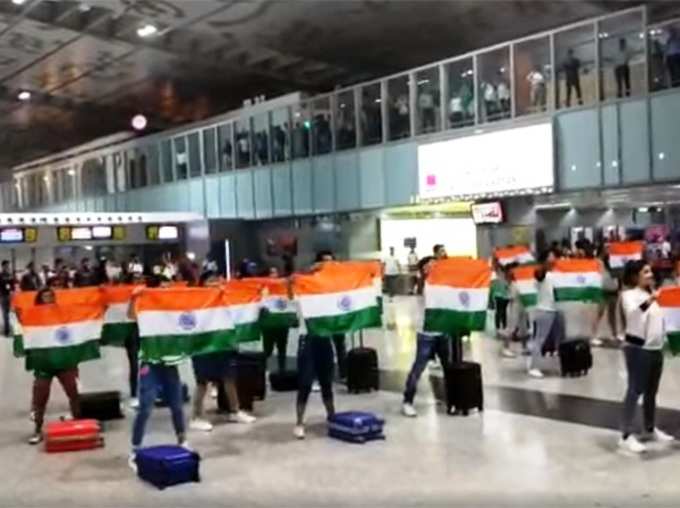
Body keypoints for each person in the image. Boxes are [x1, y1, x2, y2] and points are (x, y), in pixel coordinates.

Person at [128, 275, 189, 471]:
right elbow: (131, 316)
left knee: (177, 406)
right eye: (162, 287)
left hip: (170, 363)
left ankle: (182, 440)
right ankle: (135, 447)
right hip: (150, 362)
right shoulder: (146, 307)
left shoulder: (174, 308)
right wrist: (133, 298)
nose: (165, 290)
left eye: (167, 287)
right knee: (145, 406)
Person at [618, 260, 674, 454]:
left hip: (655, 348)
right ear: (635, 276)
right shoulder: (628, 295)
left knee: (651, 391)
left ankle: (649, 428)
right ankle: (625, 435)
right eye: (646, 272)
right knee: (635, 389)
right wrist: (651, 300)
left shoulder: (654, 294)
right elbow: (633, 315)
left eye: (650, 271)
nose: (650, 275)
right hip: (637, 348)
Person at [401, 249, 456, 417]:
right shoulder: (423, 283)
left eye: (435, 264)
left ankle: (451, 399)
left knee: (448, 367)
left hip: (443, 332)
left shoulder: (444, 283)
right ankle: (408, 401)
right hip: (426, 334)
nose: (433, 267)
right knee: (418, 368)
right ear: (423, 269)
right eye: (429, 265)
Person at [28, 288, 81, 444]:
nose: (49, 298)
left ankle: (78, 422)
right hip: (44, 362)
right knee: (40, 397)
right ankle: (37, 429)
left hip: (64, 361)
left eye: (51, 296)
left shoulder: (62, 312)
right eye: (45, 296)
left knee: (75, 392)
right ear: (40, 299)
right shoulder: (33, 315)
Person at [293, 266, 336, 439]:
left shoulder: (327, 296)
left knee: (326, 382)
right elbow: (290, 294)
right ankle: (299, 422)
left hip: (324, 339)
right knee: (305, 383)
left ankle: (332, 417)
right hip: (308, 340)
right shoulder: (300, 295)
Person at [528, 251, 565, 378]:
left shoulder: (552, 275)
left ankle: (560, 363)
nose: (554, 258)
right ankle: (534, 366)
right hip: (545, 310)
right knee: (539, 339)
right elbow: (539, 275)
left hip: (552, 310)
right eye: (550, 256)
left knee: (555, 338)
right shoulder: (543, 275)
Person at [315, 250, 347, 380]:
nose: (328, 264)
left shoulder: (339, 278)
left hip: (337, 318)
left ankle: (343, 373)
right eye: (325, 261)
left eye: (330, 261)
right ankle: (325, 374)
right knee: (324, 348)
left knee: (340, 346)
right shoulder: (316, 278)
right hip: (323, 318)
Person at [261, 266, 291, 374]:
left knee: (282, 348)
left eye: (275, 272)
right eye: (271, 273)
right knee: (267, 350)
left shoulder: (283, 287)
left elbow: (289, 300)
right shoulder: (264, 288)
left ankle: (282, 371)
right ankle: (262, 370)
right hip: (269, 323)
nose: (274, 275)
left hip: (282, 322)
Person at [492, 264, 515, 358]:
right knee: (499, 312)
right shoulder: (496, 277)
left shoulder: (508, 278)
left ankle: (504, 329)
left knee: (504, 314)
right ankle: (499, 329)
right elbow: (493, 287)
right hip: (499, 296)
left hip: (506, 297)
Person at [0, 260, 15, 337]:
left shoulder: (10, 275)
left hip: (10, 296)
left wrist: (13, 291)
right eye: (6, 266)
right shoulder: (0, 275)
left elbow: (12, 285)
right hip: (3, 296)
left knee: (11, 313)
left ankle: (10, 327)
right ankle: (6, 330)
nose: (8, 267)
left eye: (8, 266)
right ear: (3, 266)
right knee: (5, 313)